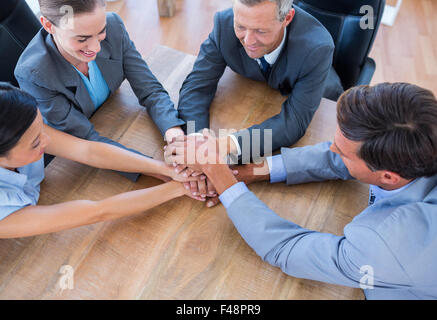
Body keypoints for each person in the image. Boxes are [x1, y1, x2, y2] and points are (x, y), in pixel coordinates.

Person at [165, 82, 437, 299]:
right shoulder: (421, 138)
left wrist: (221, 177)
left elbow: (285, 247)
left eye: (342, 150)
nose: (331, 147)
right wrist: (245, 173)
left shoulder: (388, 246)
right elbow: (333, 157)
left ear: (388, 176)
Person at [0, 83, 207, 239]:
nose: (47, 140)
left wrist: (165, 169)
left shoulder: (22, 127)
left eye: (42, 129)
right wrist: (181, 188)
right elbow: (97, 212)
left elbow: (88, 150)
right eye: (36, 143)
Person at [14, 0, 185, 181]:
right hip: (75, 152)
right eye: (82, 39)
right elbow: (87, 141)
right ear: (49, 25)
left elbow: (150, 89)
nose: (96, 47)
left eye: (100, 32)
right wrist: (158, 169)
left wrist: (174, 133)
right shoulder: (34, 74)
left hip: (113, 114)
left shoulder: (113, 25)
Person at [165, 0, 343, 162]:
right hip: (252, 91)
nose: (248, 41)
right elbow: (196, 88)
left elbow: (293, 123)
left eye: (260, 31)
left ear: (287, 18)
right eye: (241, 27)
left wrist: (227, 146)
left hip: (325, 99)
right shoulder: (224, 24)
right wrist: (195, 142)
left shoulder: (317, 48)